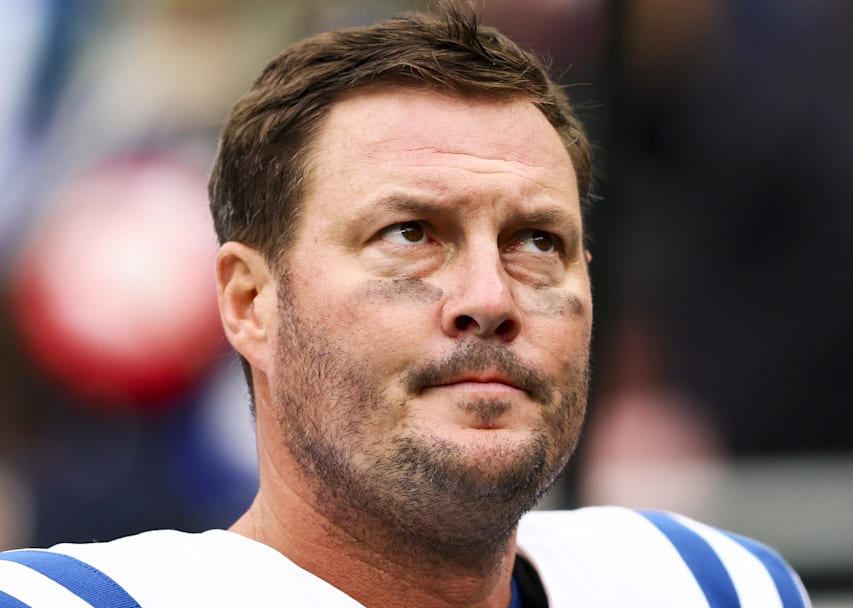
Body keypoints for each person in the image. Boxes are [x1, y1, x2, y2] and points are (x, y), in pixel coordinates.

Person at [0, 5, 810, 607]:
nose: (489, 299)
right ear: (250, 300)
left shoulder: (711, 586)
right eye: (411, 233)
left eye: (536, 242)